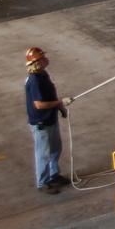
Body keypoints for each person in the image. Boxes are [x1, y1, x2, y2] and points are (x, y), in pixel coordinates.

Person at [25, 47, 69, 194]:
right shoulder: (35, 80)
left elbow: (50, 95)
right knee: (43, 153)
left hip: (50, 119)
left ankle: (54, 175)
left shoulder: (42, 74)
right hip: (41, 123)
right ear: (37, 62)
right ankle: (42, 183)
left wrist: (60, 107)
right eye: (43, 58)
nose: (46, 59)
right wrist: (60, 102)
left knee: (55, 149)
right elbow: (39, 104)